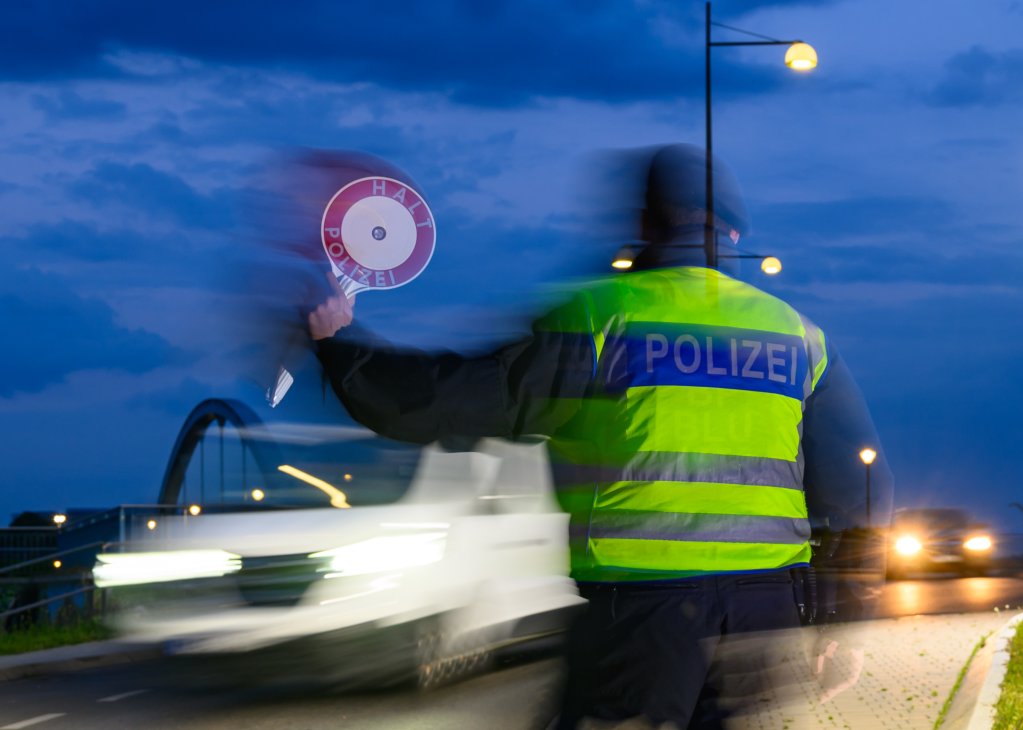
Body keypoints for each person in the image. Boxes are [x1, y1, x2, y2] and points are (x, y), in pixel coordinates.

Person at [308, 144, 894, 728]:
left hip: (640, 617)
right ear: (736, 233)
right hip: (764, 613)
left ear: (646, 223)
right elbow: (860, 487)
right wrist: (846, 620)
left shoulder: (599, 319)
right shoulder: (798, 336)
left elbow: (449, 403)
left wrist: (341, 348)